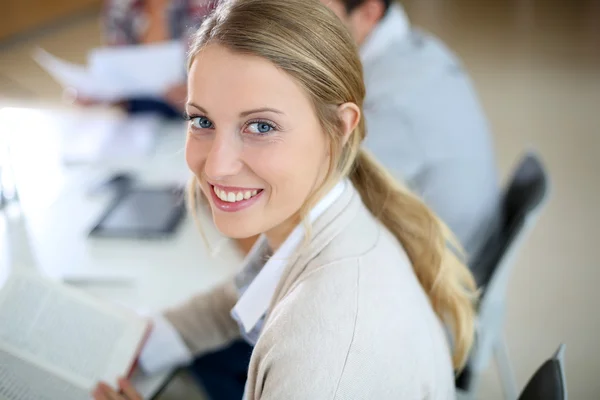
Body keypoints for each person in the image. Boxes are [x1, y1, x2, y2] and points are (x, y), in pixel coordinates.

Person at [93, 0, 477, 398]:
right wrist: (145, 337)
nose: (217, 166)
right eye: (202, 121)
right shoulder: (315, 215)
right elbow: (242, 292)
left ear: (340, 129)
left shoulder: (321, 360)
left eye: (261, 126)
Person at [322, 0, 500, 260]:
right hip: (454, 246)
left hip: (441, 279)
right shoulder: (415, 49)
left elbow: (323, 200)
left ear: (369, 13)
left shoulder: (393, 104)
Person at [72, 0, 217, 117]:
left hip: (201, 115)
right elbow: (116, 67)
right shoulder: (120, 5)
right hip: (141, 117)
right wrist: (101, 91)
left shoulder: (210, 6)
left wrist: (201, 102)